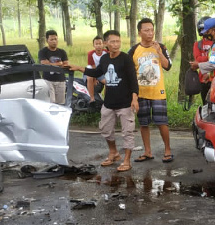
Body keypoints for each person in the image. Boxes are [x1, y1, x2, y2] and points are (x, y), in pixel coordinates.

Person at [68, 30, 139, 172]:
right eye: (112, 41)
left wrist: (134, 99)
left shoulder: (125, 59)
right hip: (109, 103)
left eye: (118, 41)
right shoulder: (105, 59)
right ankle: (114, 153)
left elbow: (133, 80)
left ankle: (126, 161)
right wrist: (79, 68)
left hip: (125, 103)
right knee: (106, 130)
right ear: (106, 43)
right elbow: (96, 72)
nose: (116, 44)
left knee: (128, 133)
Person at [128, 18, 173, 163]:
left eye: (152, 30)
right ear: (139, 32)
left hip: (158, 92)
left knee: (162, 122)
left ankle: (168, 150)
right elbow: (129, 72)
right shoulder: (134, 50)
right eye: (146, 30)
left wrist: (159, 52)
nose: (150, 33)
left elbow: (168, 66)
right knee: (144, 123)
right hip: (141, 93)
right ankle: (147, 152)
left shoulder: (161, 46)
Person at [38, 29, 69, 104]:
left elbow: (66, 64)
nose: (54, 41)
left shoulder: (62, 52)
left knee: (61, 103)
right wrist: (59, 64)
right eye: (51, 39)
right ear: (47, 40)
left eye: (55, 39)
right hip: (48, 80)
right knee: (51, 102)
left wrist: (51, 63)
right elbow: (44, 63)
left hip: (61, 80)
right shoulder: (43, 52)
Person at [190, 16, 214, 104]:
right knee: (205, 103)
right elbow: (198, 59)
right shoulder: (198, 44)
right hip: (203, 79)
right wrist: (210, 56)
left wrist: (204, 58)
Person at [86, 35, 107, 102]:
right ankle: (92, 98)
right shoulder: (90, 54)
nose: (98, 46)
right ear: (93, 45)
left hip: (102, 72)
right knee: (89, 78)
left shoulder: (106, 53)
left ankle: (106, 99)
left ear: (103, 44)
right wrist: (95, 79)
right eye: (96, 44)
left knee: (108, 82)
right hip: (93, 71)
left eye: (100, 44)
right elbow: (93, 67)